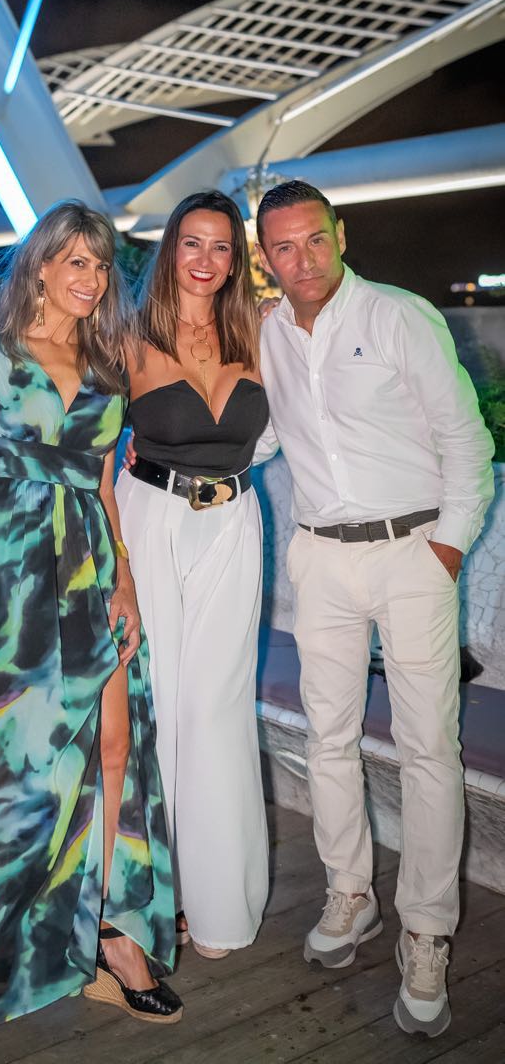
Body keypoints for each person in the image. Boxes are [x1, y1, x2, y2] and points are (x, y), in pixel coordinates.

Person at [254, 179, 494, 1039]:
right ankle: (350, 893)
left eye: (314, 239)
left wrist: (445, 551)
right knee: (328, 737)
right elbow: (266, 432)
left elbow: (465, 439)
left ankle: (425, 932)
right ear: (265, 258)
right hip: (321, 558)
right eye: (283, 247)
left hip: (410, 553)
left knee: (428, 749)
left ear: (340, 234)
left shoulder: (397, 316)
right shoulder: (267, 333)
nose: (303, 259)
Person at [0, 203, 182, 1028]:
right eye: (75, 262)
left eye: (100, 264)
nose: (90, 278)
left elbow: (103, 483)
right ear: (40, 266)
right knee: (16, 763)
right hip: (5, 577)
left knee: (114, 744)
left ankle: (108, 931)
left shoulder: (108, 359)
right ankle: (15, 948)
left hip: (88, 562)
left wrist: (125, 581)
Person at [117, 190, 271, 959]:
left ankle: (217, 905)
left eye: (220, 246)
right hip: (149, 521)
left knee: (216, 710)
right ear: (168, 250)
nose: (205, 260)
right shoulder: (126, 337)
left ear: (235, 259)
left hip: (233, 527)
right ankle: (153, 898)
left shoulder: (260, 331)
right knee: (157, 707)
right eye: (191, 243)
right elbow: (79, 439)